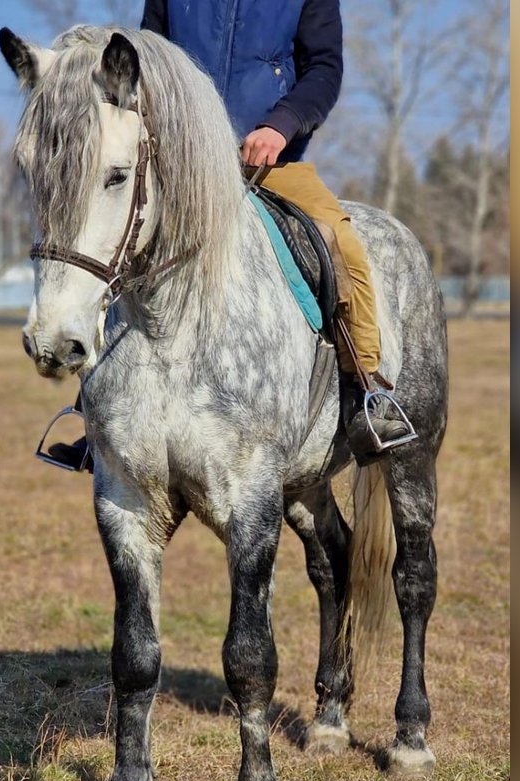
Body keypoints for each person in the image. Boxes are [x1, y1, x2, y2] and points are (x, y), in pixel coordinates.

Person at [141, 0, 414, 454]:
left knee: (338, 240)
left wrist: (280, 125)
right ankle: (96, 410)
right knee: (114, 234)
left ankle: (367, 396)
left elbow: (323, 70)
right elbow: (146, 63)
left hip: (268, 161)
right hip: (179, 164)